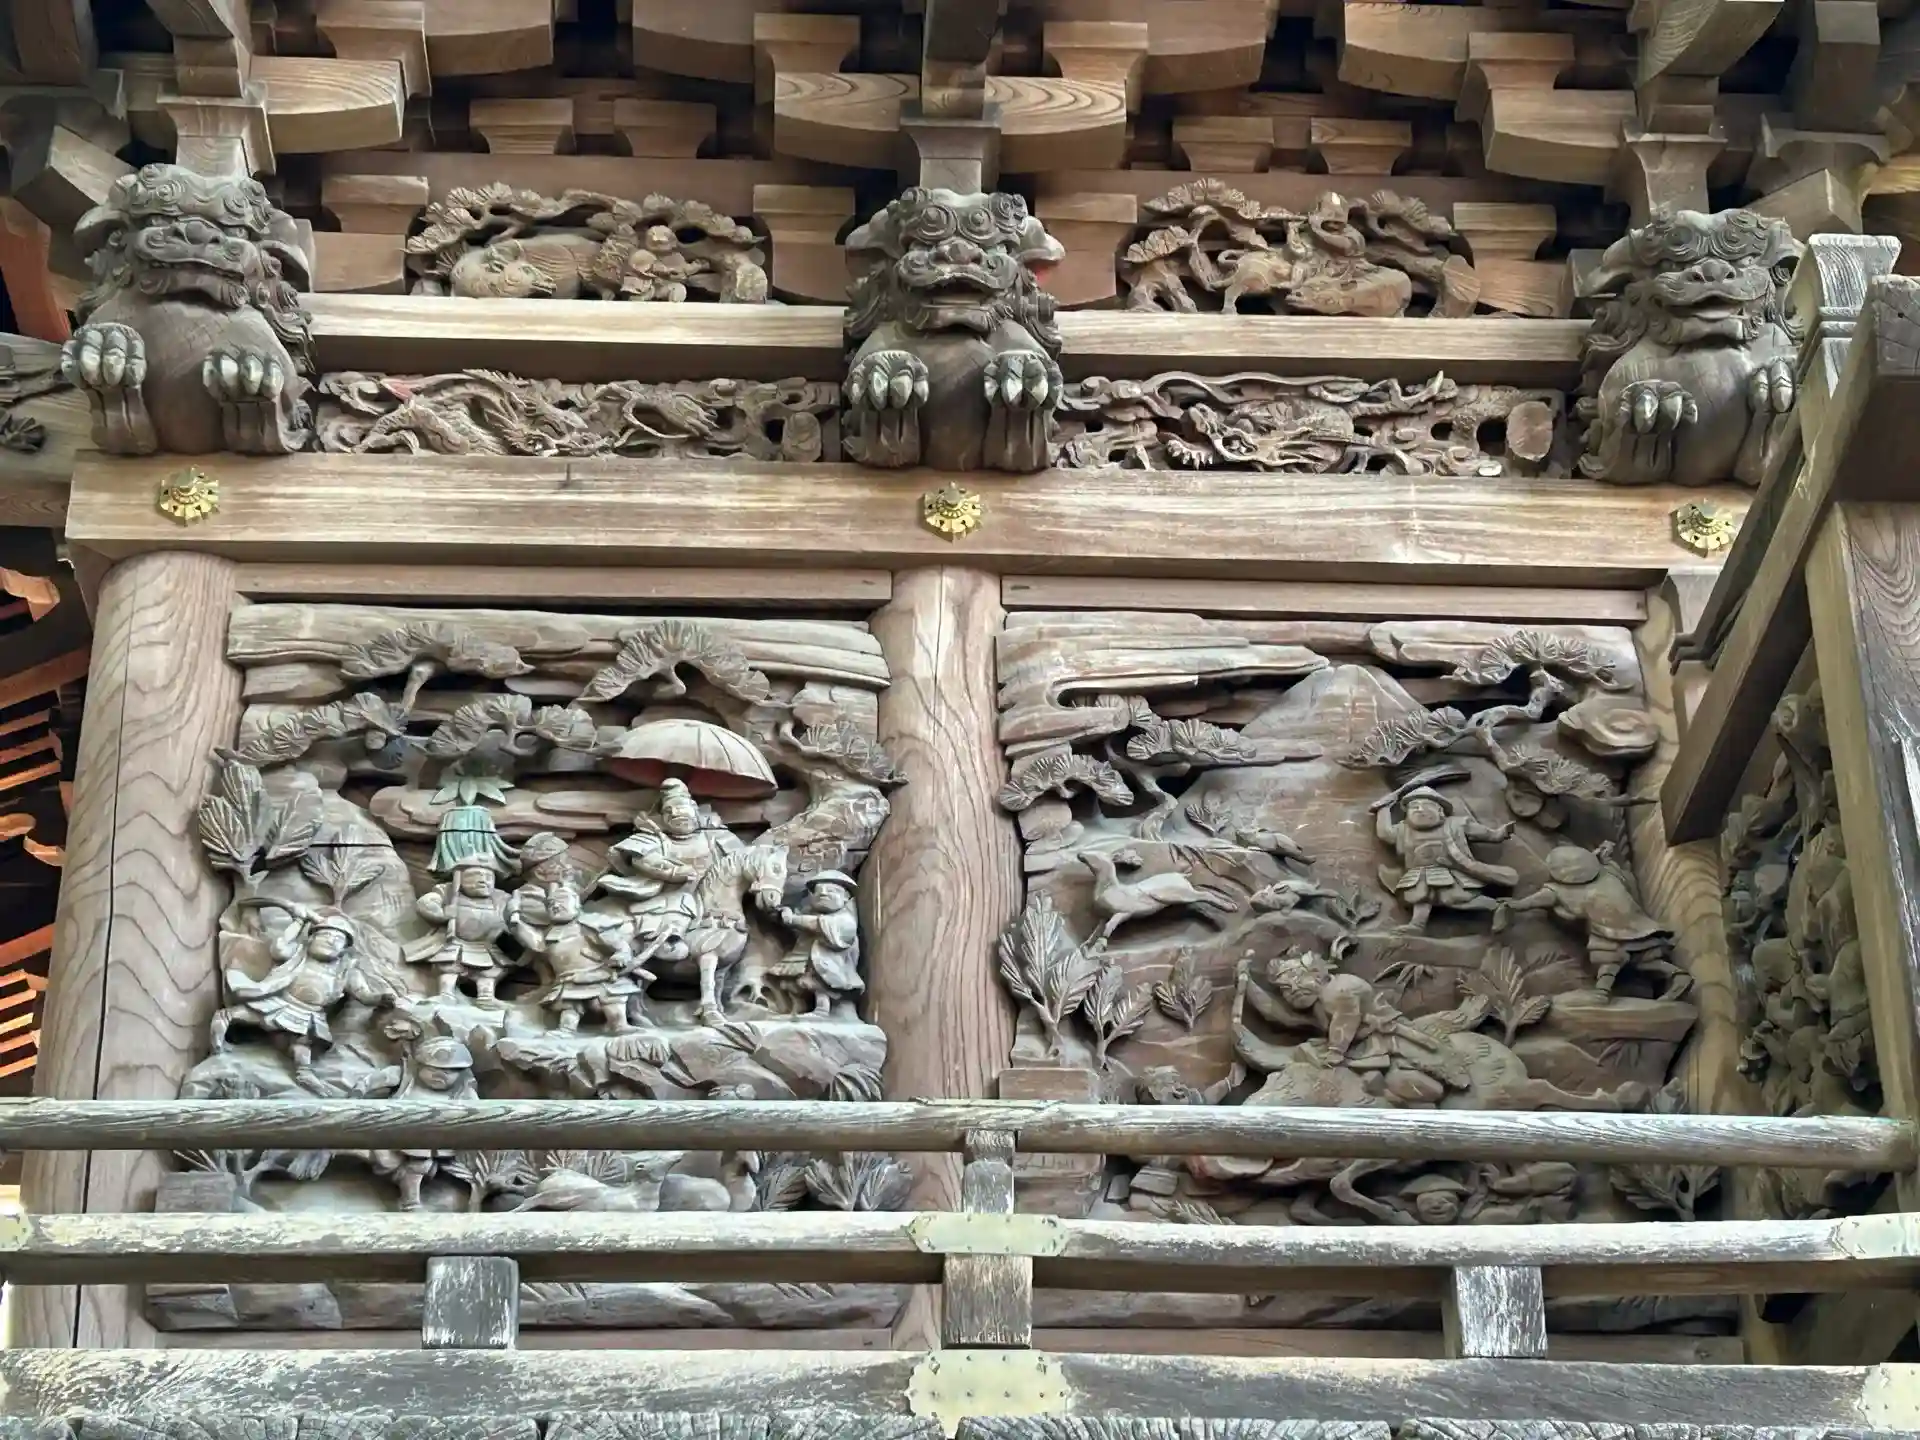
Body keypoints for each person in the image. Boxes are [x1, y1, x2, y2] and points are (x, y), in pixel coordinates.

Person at [1372, 784, 1517, 933]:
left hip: (1448, 870)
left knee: (1457, 898)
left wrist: (1499, 834)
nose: (1419, 809)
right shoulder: (1403, 829)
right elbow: (1385, 834)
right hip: (1418, 872)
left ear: (1440, 810)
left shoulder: (1456, 824)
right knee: (1420, 897)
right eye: (1414, 806)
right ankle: (1417, 924)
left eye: (1426, 805)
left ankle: (1497, 906)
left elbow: (1486, 834)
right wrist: (1383, 809)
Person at [771, 871, 862, 1017]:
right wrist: (784, 913)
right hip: (804, 959)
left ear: (846, 897)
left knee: (819, 984)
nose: (823, 893)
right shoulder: (809, 914)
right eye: (818, 891)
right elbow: (798, 928)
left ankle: (822, 1009)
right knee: (790, 982)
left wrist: (793, 919)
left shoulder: (845, 920)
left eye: (831, 890)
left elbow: (818, 924)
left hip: (829, 963)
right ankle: (797, 1009)